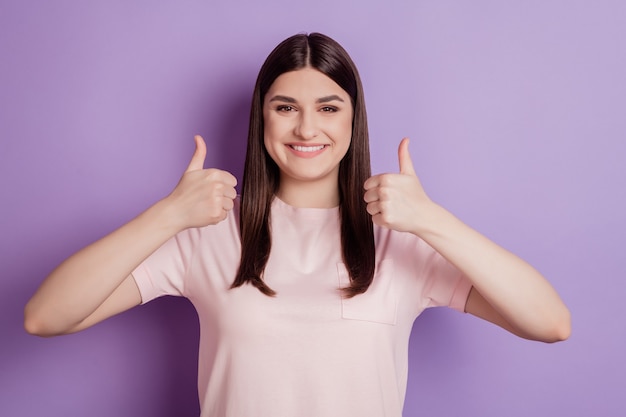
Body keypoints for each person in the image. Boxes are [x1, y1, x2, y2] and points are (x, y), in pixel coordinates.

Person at [24, 32, 571, 416]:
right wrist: (169, 214)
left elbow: (549, 322)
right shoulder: (207, 236)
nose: (306, 126)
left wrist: (431, 221)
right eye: (285, 107)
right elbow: (46, 316)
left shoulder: (402, 243)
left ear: (354, 122)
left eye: (329, 107)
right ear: (262, 118)